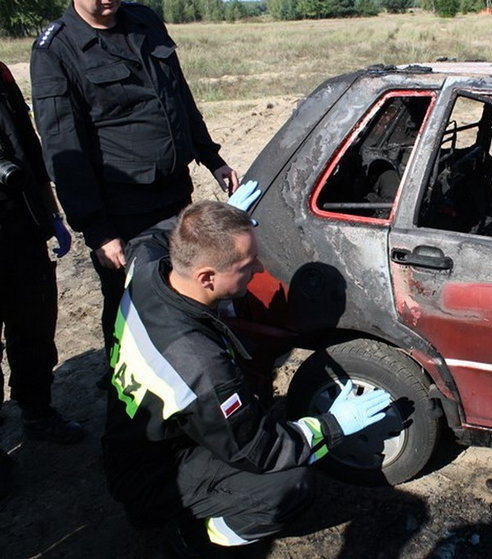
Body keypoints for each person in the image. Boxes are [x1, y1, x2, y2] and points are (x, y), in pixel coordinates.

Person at [102, 200, 392, 553]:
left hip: (135, 435)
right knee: (289, 486)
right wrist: (331, 426)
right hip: (154, 475)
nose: (258, 267)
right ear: (206, 277)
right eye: (246, 264)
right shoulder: (201, 367)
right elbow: (261, 450)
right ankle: (199, 536)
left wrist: (215, 221)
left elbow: (151, 238)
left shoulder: (147, 267)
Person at [29, 0, 239, 364]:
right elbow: (64, 147)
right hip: (122, 209)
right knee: (130, 306)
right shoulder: (56, 49)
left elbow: (178, 96)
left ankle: (191, 374)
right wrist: (98, 231)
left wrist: (211, 156)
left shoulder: (143, 20)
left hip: (174, 191)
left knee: (185, 289)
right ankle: (127, 390)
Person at [0, 59, 84, 497]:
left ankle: (37, 411)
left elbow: (29, 149)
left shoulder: (1, 74)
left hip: (21, 223)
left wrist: (51, 210)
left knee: (34, 324)